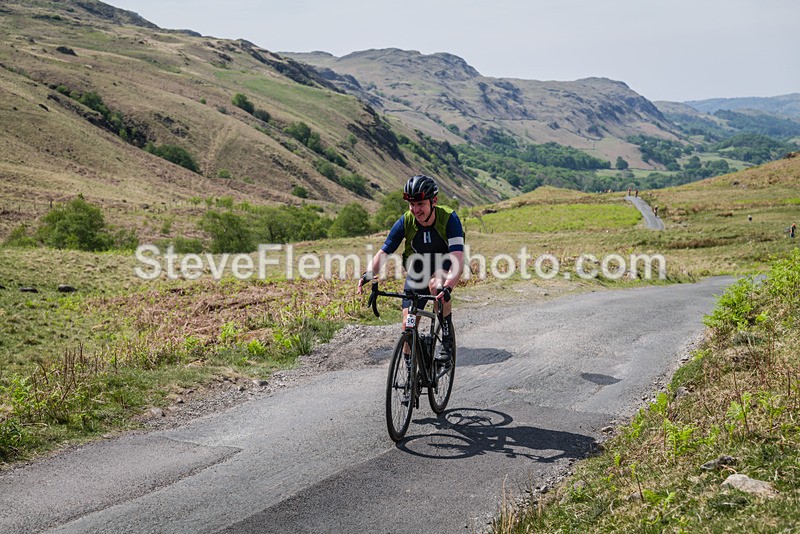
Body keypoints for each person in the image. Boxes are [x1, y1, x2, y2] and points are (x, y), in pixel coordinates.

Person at [358, 174, 464, 362]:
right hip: (417, 271)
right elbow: (385, 251)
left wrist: (448, 287)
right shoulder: (406, 221)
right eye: (411, 205)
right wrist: (368, 274)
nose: (415, 210)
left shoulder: (449, 219)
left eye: (420, 204)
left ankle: (446, 337)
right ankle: (410, 380)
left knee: (436, 285)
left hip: (444, 266)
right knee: (408, 325)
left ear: (434, 201)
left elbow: (457, 259)